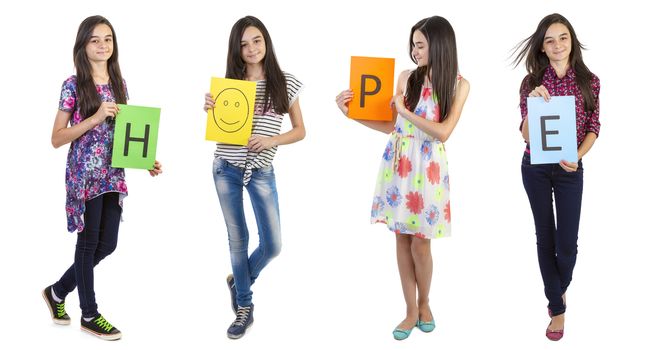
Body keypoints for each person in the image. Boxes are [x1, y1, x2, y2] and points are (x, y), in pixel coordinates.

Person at [336, 16, 469, 340]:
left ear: (439, 44)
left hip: (429, 167)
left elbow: (443, 131)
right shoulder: (406, 77)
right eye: (413, 44)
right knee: (400, 238)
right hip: (399, 162)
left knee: (421, 244)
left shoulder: (458, 83)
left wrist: (405, 111)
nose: (414, 51)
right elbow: (393, 126)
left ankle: (425, 303)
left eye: (420, 44)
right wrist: (352, 115)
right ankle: (410, 310)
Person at [42, 15, 162, 341]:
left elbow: (125, 133)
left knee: (107, 244)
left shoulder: (120, 84)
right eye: (95, 39)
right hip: (85, 174)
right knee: (88, 242)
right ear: (83, 45)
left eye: (107, 38)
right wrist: (95, 117)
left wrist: (145, 160)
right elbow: (57, 137)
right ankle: (89, 314)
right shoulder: (73, 84)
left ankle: (57, 291)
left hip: (112, 174)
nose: (102, 45)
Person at [203, 15, 305, 340]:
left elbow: (301, 131)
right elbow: (223, 125)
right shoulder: (230, 84)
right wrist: (211, 107)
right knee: (238, 238)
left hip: (262, 169)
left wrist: (272, 140)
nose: (251, 48)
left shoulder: (284, 82)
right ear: (236, 48)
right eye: (244, 44)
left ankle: (239, 277)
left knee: (273, 245)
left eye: (256, 40)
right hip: (227, 166)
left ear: (266, 41)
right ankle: (244, 307)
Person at [512, 13, 600, 341]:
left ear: (572, 41)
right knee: (545, 237)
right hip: (534, 167)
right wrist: (532, 105)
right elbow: (525, 135)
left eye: (562, 37)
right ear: (543, 48)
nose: (557, 44)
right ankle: (557, 307)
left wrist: (576, 157)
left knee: (567, 245)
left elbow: (593, 127)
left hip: (569, 170)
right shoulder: (531, 83)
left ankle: (558, 288)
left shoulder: (590, 81)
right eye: (549, 40)